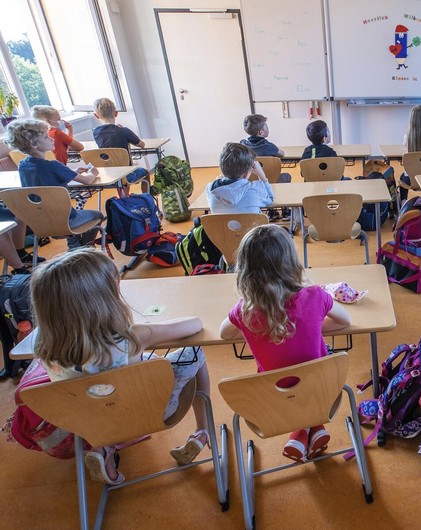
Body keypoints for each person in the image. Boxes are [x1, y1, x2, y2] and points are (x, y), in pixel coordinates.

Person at [31, 249, 213, 484]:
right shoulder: (131, 337)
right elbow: (194, 324)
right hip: (147, 413)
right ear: (103, 299)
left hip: (84, 421)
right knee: (195, 352)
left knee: (100, 387)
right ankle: (202, 431)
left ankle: (102, 449)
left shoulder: (42, 343)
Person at [219, 224, 351, 462]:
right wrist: (309, 326)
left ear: (245, 270)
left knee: (290, 383)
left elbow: (224, 334)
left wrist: (258, 329)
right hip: (322, 392)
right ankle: (313, 427)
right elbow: (344, 321)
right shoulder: (316, 295)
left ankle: (300, 433)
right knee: (309, 375)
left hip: (273, 401)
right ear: (291, 262)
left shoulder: (244, 311)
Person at [5, 119, 103, 250]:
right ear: (34, 144)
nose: (51, 139)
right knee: (98, 215)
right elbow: (88, 181)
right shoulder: (53, 166)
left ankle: (75, 246)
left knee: (66, 214)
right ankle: (83, 248)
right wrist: (93, 172)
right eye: (46, 137)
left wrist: (71, 172)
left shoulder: (23, 166)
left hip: (39, 224)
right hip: (67, 220)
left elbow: (45, 182)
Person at [91, 97, 149, 186]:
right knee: (145, 172)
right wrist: (127, 137)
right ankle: (146, 194)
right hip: (127, 175)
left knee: (122, 174)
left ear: (96, 115)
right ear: (116, 113)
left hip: (108, 176)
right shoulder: (124, 131)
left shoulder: (96, 132)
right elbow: (142, 145)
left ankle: (125, 194)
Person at [206, 143, 273, 214]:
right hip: (251, 222)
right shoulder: (255, 189)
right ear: (246, 174)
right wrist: (262, 175)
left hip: (222, 222)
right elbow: (270, 198)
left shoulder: (210, 188)